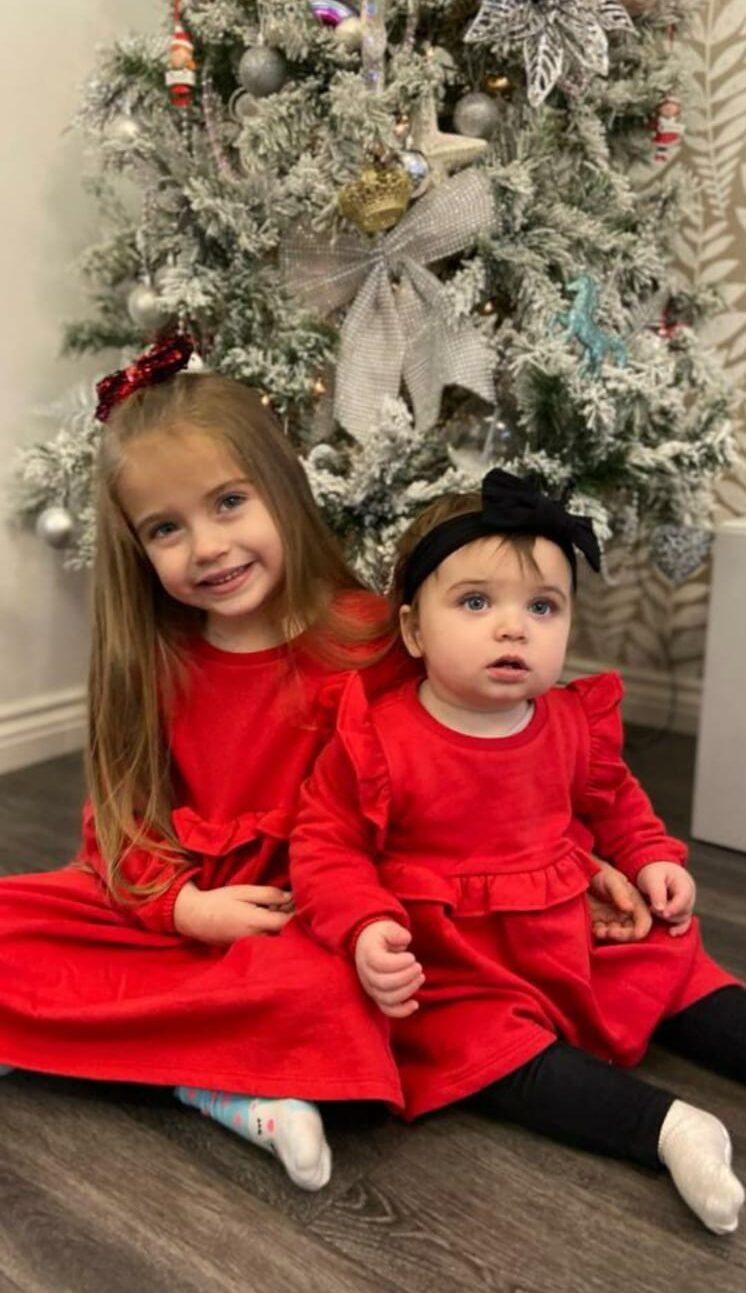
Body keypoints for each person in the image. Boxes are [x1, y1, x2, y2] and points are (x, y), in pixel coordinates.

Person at [0, 336, 415, 1191]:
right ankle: (215, 1073)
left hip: (301, 915)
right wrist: (186, 907)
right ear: (137, 549)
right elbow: (117, 821)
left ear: (283, 491)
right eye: (166, 528)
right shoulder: (157, 657)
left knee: (338, 991)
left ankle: (184, 1071)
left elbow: (443, 785)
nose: (208, 546)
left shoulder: (372, 637)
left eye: (229, 502)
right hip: (179, 898)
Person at [291, 468, 745, 1230]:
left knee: (673, 964)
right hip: (463, 962)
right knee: (480, 1050)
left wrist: (651, 857)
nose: (514, 627)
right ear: (412, 630)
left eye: (543, 606)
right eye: (476, 603)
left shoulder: (567, 721)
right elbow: (326, 845)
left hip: (574, 927)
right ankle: (670, 1130)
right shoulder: (381, 739)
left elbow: (616, 801)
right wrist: (367, 923)